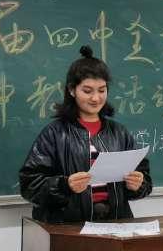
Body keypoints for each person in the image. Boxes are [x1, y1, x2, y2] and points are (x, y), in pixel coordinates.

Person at [19, 45, 152, 222]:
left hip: (116, 223)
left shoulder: (119, 132)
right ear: (72, 90)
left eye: (102, 90)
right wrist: (64, 185)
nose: (96, 98)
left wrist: (137, 185)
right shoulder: (54, 133)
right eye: (87, 91)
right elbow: (29, 185)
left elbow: (145, 180)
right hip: (68, 226)